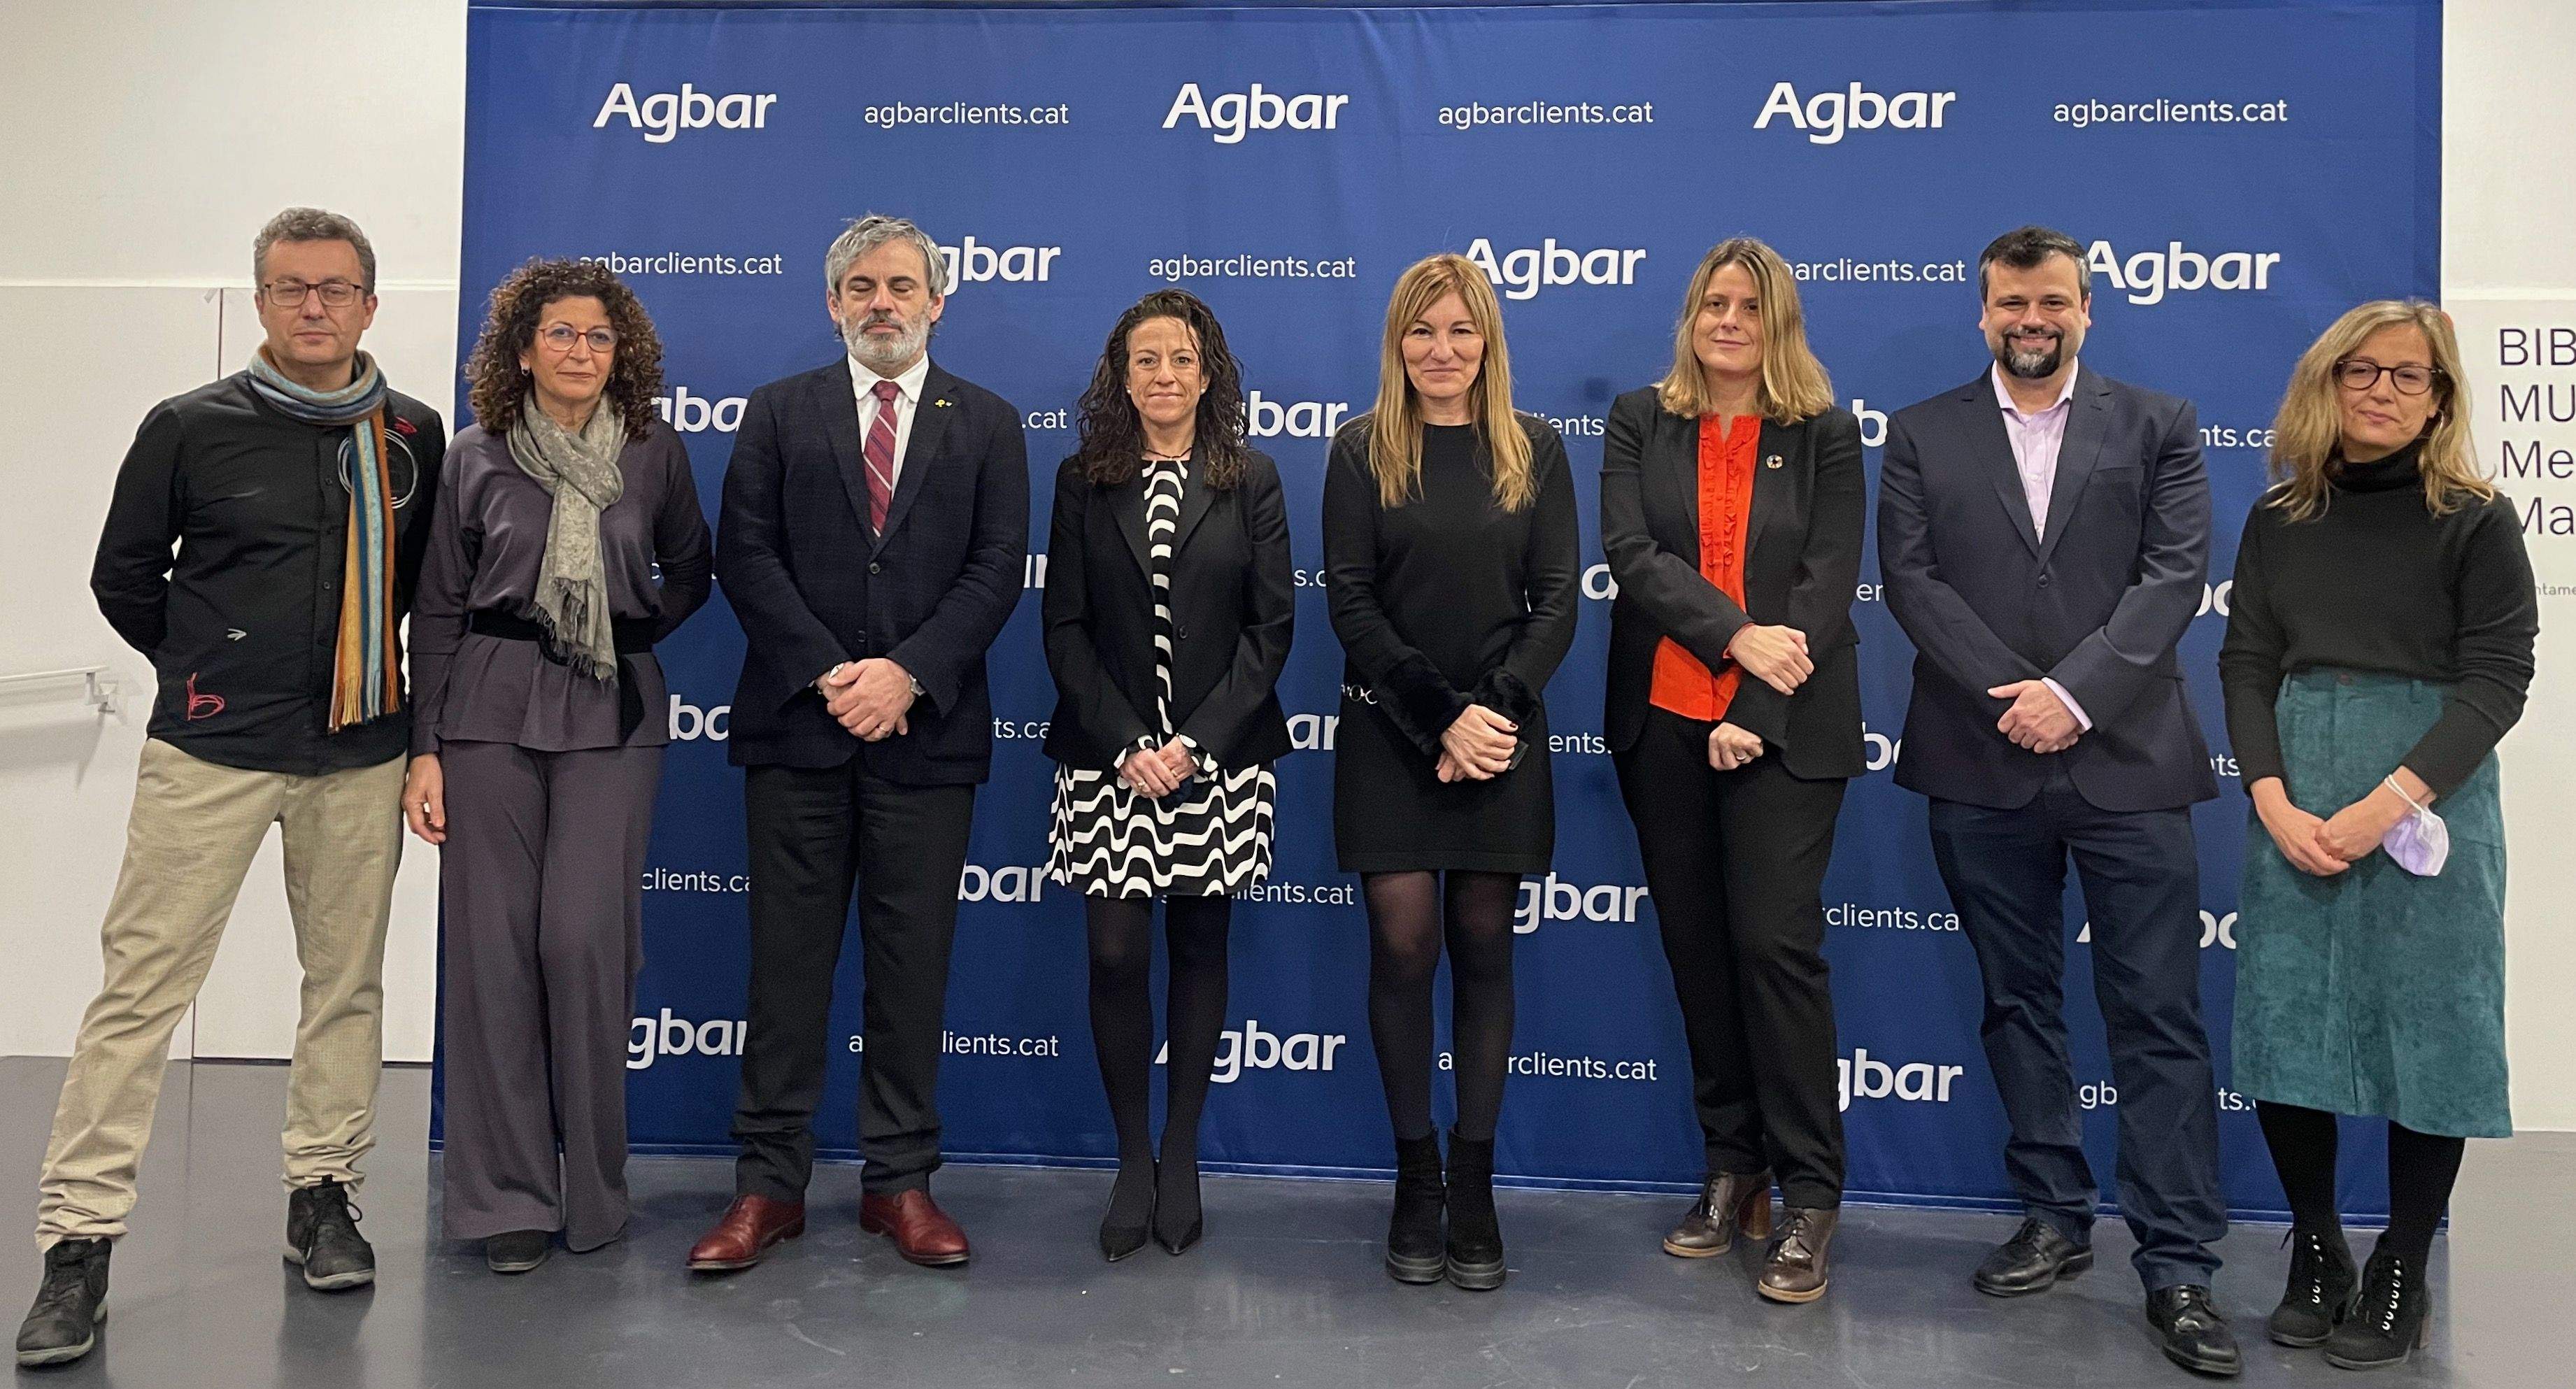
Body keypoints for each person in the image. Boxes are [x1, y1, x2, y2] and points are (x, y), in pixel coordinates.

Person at [17, 209, 446, 1369]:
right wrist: (207, 672)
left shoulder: (415, 432)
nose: (314, 306)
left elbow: (423, 600)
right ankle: (78, 1247)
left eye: (336, 288)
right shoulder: (189, 428)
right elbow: (125, 576)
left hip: (358, 753)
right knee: (139, 994)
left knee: (345, 986)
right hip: (208, 753)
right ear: (260, 302)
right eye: (291, 287)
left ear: (369, 303)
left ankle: (325, 1197)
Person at [1878, 225, 2237, 1376]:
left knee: (2158, 1016)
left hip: (2126, 758)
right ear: (1980, 310)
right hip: (1980, 760)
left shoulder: (2161, 424)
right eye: (2011, 304)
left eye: (2053, 303)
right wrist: (2010, 698)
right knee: (2015, 999)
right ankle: (2052, 1214)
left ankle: (2179, 1264)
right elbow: (1912, 579)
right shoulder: (1920, 431)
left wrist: (2072, 696)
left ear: (2087, 308)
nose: (2031, 321)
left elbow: (2174, 575)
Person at [688, 215, 1027, 1274]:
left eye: (903, 286)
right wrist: (833, 672)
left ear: (939, 300)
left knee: (911, 968)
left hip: (926, 737)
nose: (884, 302)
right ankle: (767, 1187)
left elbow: (995, 567)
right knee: (785, 971)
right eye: (863, 287)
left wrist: (905, 676)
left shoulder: (990, 422)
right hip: (799, 730)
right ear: (832, 302)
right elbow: (744, 552)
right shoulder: (778, 413)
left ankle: (900, 1183)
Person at [2219, 300, 2535, 1371]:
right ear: (2327, 382)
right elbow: (2248, 663)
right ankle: (2317, 1248)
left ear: (2440, 396)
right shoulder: (2278, 516)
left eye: (2409, 376)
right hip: (2297, 783)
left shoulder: (2478, 520)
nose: (2383, 391)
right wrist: (2270, 794)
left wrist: (2385, 802)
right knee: (2287, 1026)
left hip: (2427, 795)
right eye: (2362, 371)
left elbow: (2499, 680)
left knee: (2428, 1034)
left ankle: (2403, 1258)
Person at [402, 259, 711, 1274]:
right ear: (523, 349)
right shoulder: (473, 456)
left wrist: (616, 632)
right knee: (491, 956)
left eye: (600, 338)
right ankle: (505, 1202)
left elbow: (692, 569)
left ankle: (593, 1192)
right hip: (486, 710)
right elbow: (438, 606)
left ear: (622, 355)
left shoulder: (655, 454)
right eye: (563, 335)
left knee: (583, 941)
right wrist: (426, 749)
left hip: (609, 714)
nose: (582, 352)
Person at [1600, 238, 1865, 1304]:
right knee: (1698, 948)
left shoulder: (1827, 434)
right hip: (1663, 717)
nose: (1728, 321)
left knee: (1773, 947)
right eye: (1713, 302)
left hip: (1788, 728)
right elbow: (1631, 554)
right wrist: (1732, 639)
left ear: (1779, 322)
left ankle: (1811, 1194)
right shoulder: (1637, 417)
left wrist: (1756, 700)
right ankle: (1731, 1164)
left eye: (1750, 306)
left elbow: (1826, 579)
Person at [1323, 252, 1579, 1292]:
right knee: (1403, 947)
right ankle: (1415, 1176)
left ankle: (1473, 1183)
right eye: (1423, 331)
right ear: (1398, 342)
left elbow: (1558, 600)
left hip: (1502, 738)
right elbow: (1350, 600)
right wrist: (1438, 716)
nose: (1442, 350)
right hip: (1393, 733)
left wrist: (1493, 714)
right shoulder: (1357, 450)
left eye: (1461, 331)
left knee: (1483, 946)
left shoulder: (1537, 449)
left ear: (1488, 343)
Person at [1041, 290, 1293, 1260]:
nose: (1164, 377)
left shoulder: (1252, 479)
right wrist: (1123, 743)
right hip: (1110, 762)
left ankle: (1182, 1153)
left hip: (1216, 762)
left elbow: (1271, 630)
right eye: (1145, 360)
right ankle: (1131, 1157)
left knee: (1199, 945)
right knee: (1113, 953)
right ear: (1121, 375)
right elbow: (1062, 623)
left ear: (1209, 374)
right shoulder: (1082, 480)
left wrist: (1193, 742)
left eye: (1181, 360)